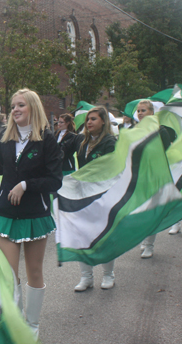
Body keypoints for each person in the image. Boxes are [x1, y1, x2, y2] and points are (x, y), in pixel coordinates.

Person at [0, 88, 62, 337]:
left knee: (34, 272)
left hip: (36, 215)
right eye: (13, 105)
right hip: (7, 214)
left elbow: (54, 180)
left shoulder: (46, 139)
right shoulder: (4, 137)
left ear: (33, 108)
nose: (15, 109)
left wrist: (26, 185)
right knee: (7, 273)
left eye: (21, 105)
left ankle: (32, 326)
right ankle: (16, 329)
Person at [71, 106, 117, 291]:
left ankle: (108, 275)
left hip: (103, 196)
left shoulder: (110, 142)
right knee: (83, 237)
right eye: (88, 119)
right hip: (83, 196)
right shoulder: (82, 142)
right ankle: (86, 277)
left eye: (93, 119)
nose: (88, 122)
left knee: (104, 238)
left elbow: (110, 171)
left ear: (103, 121)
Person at [138, 100, 182, 258]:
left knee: (152, 212)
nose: (140, 113)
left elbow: (165, 155)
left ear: (151, 112)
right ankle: (144, 239)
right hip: (140, 176)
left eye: (143, 110)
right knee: (142, 212)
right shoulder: (135, 130)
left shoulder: (161, 131)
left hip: (156, 176)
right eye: (138, 111)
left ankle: (149, 245)